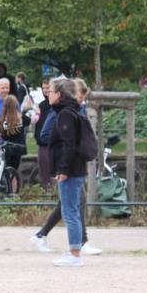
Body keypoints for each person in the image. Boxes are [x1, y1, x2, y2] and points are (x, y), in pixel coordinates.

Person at [31, 78, 101, 255]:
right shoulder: (61, 113)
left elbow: (72, 142)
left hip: (70, 166)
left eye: (51, 91)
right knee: (71, 207)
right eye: (80, 95)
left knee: (71, 206)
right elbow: (48, 136)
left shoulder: (69, 111)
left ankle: (70, 244)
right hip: (67, 166)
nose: (81, 98)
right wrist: (60, 159)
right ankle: (77, 245)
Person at [44, 78, 91, 267]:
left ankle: (75, 253)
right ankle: (74, 249)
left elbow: (69, 145)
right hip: (73, 169)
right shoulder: (70, 111)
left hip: (70, 171)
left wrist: (62, 169)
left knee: (70, 211)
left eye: (52, 91)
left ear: (60, 94)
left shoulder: (65, 114)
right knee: (70, 209)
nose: (49, 93)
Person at [33, 78, 56, 189]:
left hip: (53, 143)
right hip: (42, 143)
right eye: (43, 88)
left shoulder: (56, 105)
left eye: (48, 88)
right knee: (44, 171)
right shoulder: (41, 105)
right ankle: (48, 190)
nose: (45, 90)